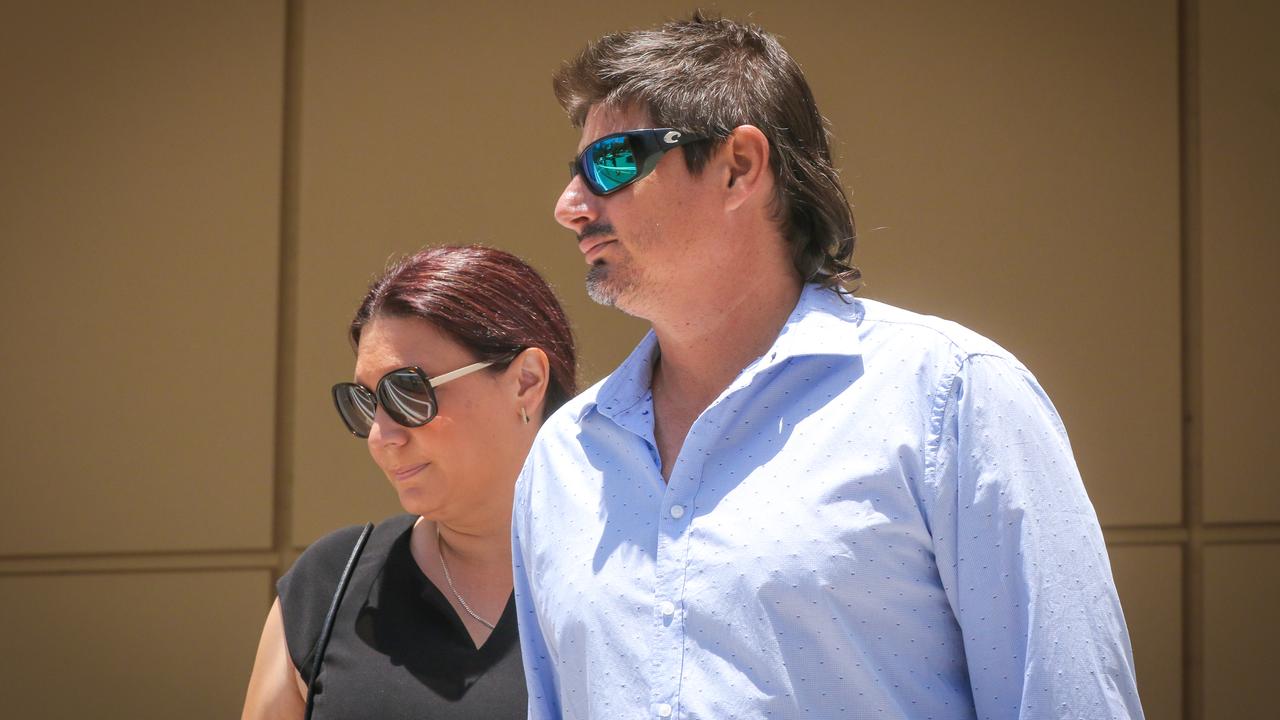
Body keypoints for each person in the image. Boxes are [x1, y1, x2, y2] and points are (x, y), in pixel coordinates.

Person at [512, 13, 1144, 720]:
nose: (570, 206)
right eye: (576, 172)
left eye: (613, 162)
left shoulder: (952, 399)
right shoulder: (564, 460)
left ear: (738, 167)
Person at [242, 245, 576, 720]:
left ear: (525, 381)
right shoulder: (329, 585)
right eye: (364, 401)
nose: (382, 436)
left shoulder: (638, 574)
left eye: (409, 391)